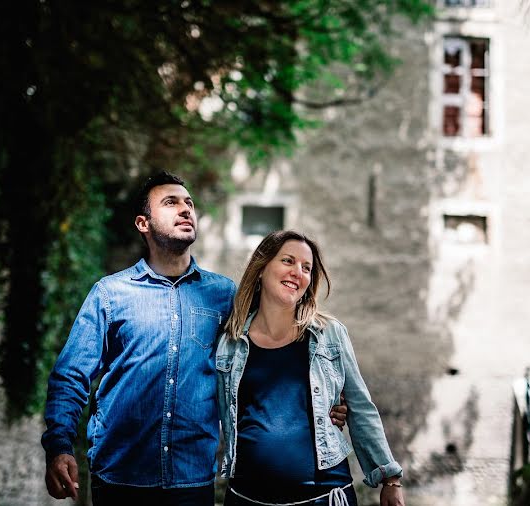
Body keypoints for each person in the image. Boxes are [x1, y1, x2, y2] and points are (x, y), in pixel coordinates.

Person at [41, 172, 346, 505]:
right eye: (170, 203)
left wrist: (324, 400)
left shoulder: (225, 296)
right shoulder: (110, 294)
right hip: (118, 478)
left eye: (189, 203)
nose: (185, 209)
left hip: (192, 482)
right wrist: (59, 447)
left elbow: (267, 359)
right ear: (143, 223)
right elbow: (71, 377)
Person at [216, 230, 405, 506]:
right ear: (260, 268)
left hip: (323, 497)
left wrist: (390, 478)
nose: (298, 272)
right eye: (288, 261)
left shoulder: (329, 334)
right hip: (247, 498)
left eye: (306, 268)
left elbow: (361, 409)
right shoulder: (229, 342)